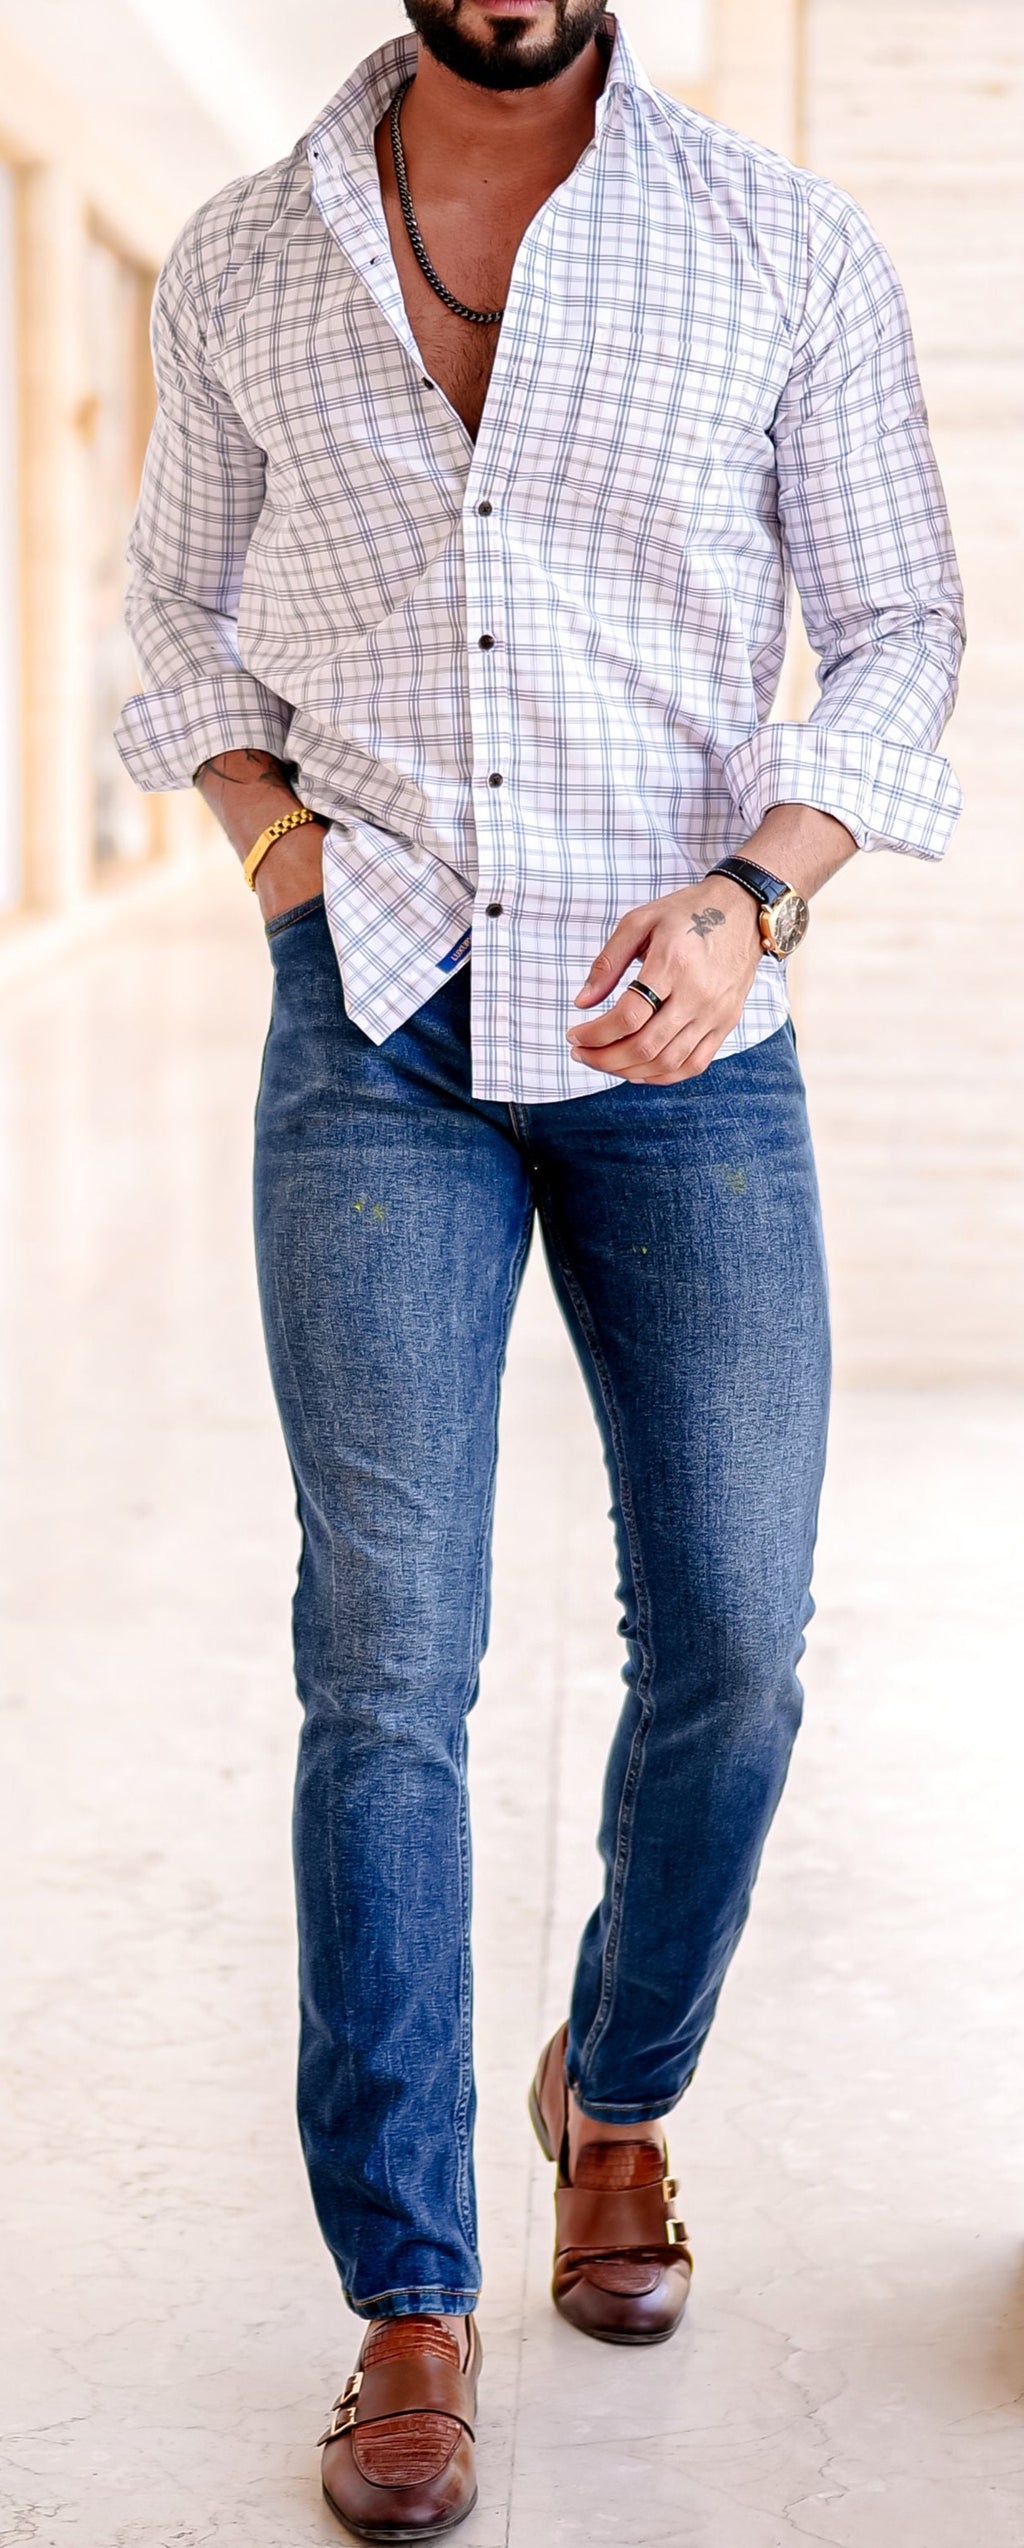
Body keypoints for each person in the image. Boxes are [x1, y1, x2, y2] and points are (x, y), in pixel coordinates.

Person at [117, 4, 964, 2535]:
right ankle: (406, 2291)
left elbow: (903, 627)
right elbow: (172, 623)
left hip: (682, 1024)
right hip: (369, 1014)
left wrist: (753, 895)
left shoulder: (773, 241)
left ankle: (612, 2088)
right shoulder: (252, 252)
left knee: (731, 1628)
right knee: (383, 1653)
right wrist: (285, 864)